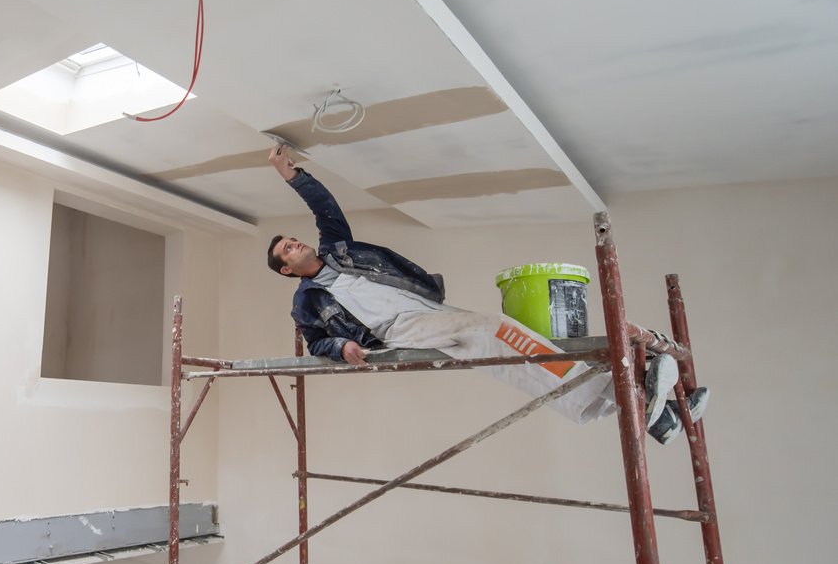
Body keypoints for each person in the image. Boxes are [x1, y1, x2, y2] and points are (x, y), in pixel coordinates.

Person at [264, 141, 706, 443]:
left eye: (291, 238)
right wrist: (340, 346)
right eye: (287, 249)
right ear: (287, 270)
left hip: (426, 310)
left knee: (508, 348)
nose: (295, 243)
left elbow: (326, 208)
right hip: (397, 330)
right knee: (497, 330)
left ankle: (656, 414)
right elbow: (316, 340)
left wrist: (292, 175)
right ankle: (628, 401)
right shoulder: (307, 300)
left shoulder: (339, 249)